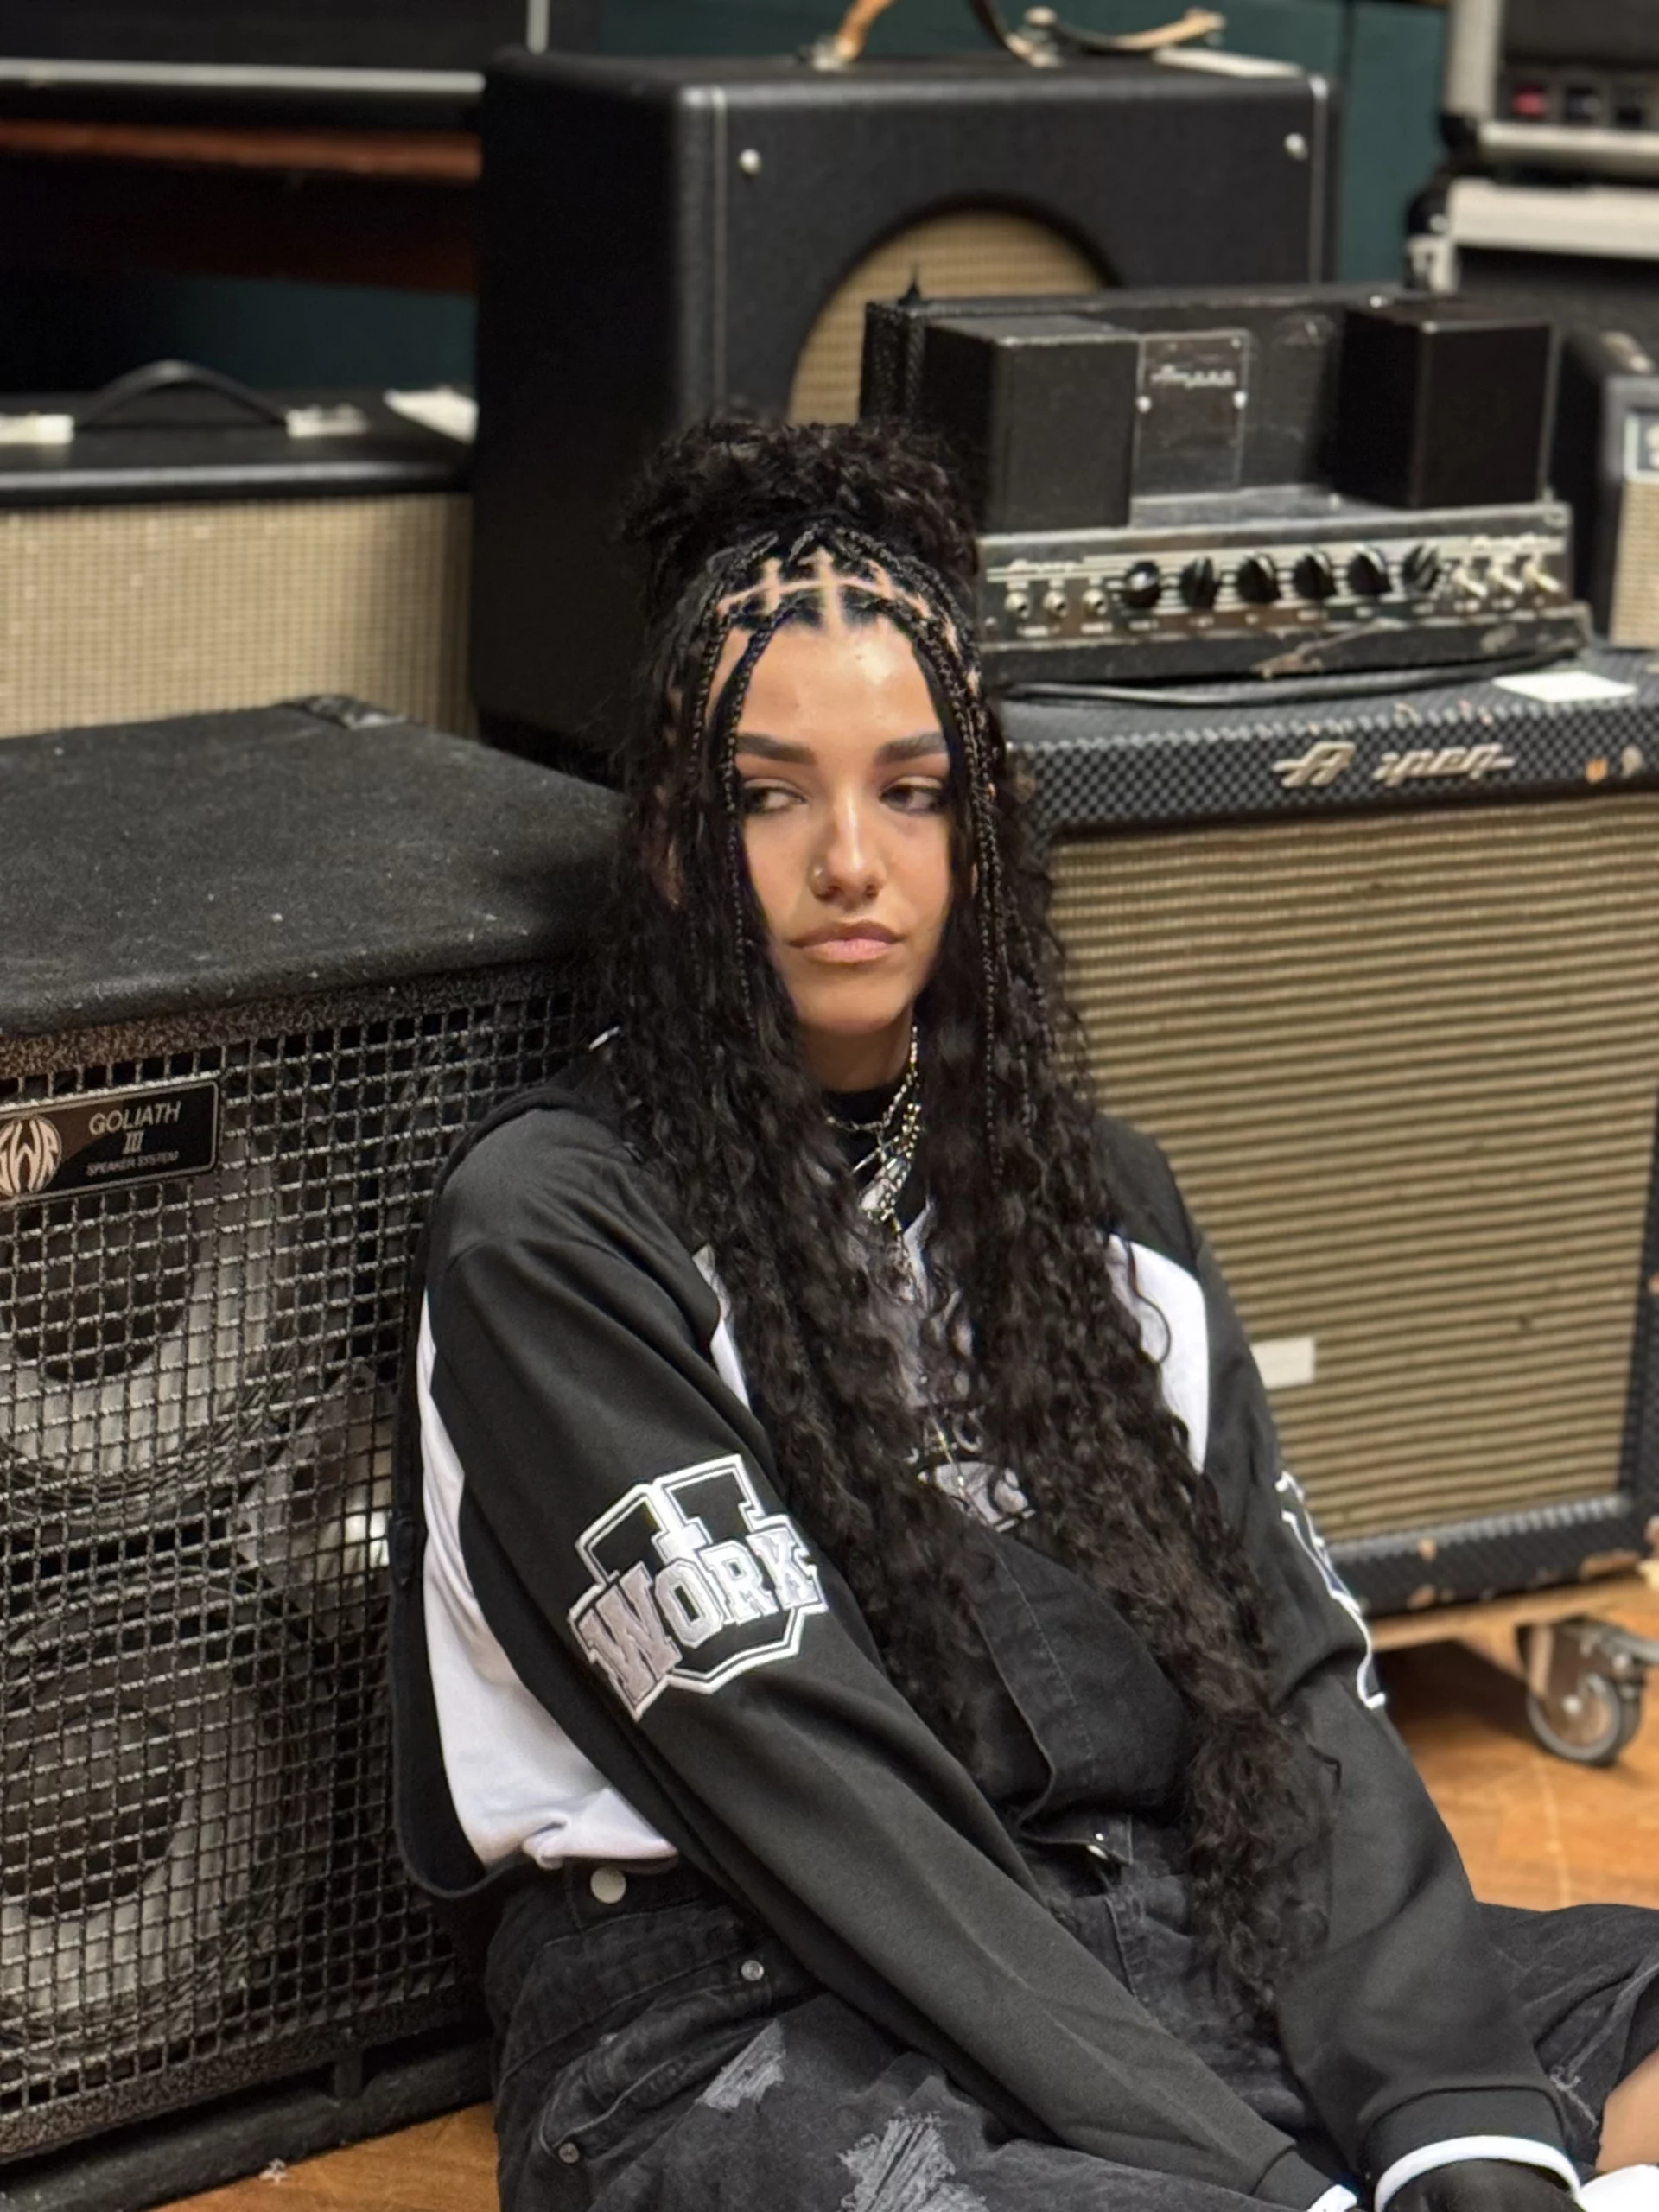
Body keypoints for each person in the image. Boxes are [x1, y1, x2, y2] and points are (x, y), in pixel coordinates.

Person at [390, 416, 1659, 2212]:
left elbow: (1298, 1685)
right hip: (743, 1995)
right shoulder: (554, 1231)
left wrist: (1452, 2121)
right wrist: (1272, 2180)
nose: (850, 859)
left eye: (912, 790)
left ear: (979, 825)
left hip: (1156, 1919)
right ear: (671, 840)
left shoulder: (1099, 1201)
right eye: (768, 794)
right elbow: (825, 1806)